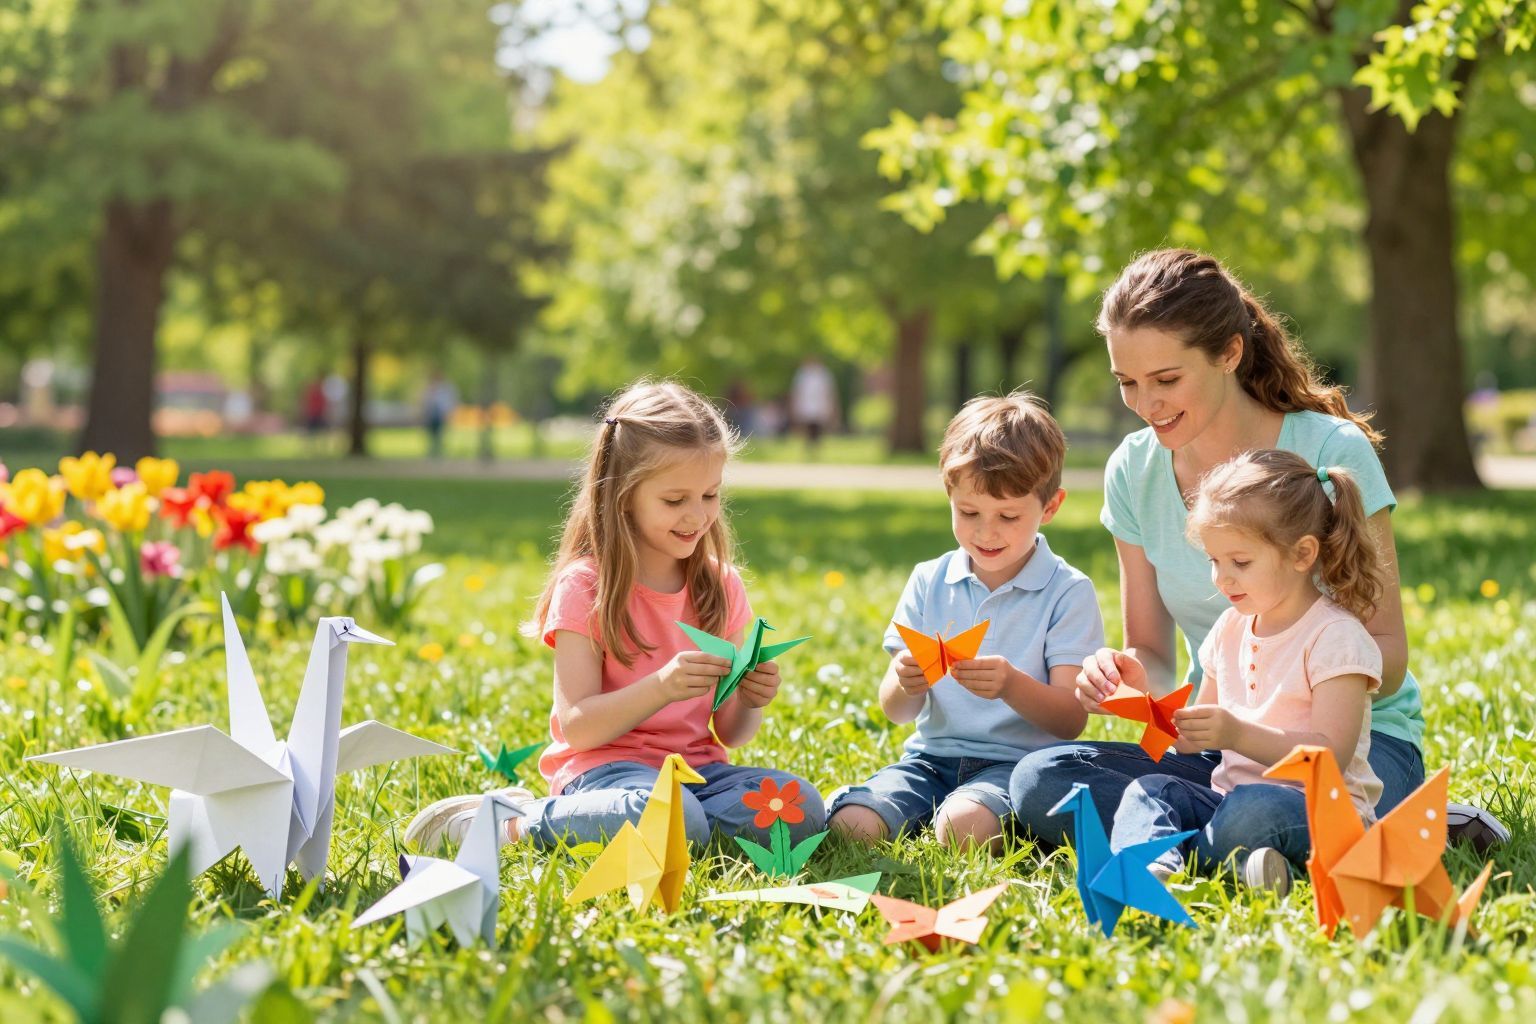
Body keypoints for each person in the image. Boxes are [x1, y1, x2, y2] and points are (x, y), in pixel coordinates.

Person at [1009, 248, 1506, 852]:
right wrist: (1132, 678)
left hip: (1354, 748)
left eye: (1167, 380)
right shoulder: (1133, 470)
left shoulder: (1330, 451)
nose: (1145, 405)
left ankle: (1217, 835)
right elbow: (1154, 652)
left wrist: (1282, 705)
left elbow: (1388, 652)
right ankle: (1244, 842)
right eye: (1127, 383)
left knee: (1251, 815)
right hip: (1223, 747)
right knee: (1040, 781)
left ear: (1229, 353)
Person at [405, 380, 825, 851]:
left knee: (800, 805)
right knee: (669, 814)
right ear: (624, 495)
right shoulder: (586, 587)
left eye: (710, 495)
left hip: (699, 774)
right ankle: (511, 825)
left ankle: (679, 830)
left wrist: (750, 699)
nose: (697, 516)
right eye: (675, 500)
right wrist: (661, 686)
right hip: (604, 772)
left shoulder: (720, 585)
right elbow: (579, 726)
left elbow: (730, 732)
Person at [826, 393, 1103, 850]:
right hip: (928, 760)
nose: (985, 532)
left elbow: (1070, 720)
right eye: (968, 512)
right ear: (949, 497)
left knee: (962, 829)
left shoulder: (1068, 591)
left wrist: (1011, 684)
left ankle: (975, 814)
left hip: (1016, 767)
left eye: (1008, 516)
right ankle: (906, 809)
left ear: (1051, 507)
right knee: (851, 826)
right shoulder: (929, 579)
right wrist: (906, 681)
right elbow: (896, 711)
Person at [1107, 450, 1385, 892]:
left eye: (1240, 562)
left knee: (1251, 811)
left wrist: (1237, 735)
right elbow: (1189, 739)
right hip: (1229, 802)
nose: (1222, 578)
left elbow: (1330, 755)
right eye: (1214, 561)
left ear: (1302, 554)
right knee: (1151, 789)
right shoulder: (1230, 627)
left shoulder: (1335, 636)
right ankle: (1156, 869)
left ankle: (1210, 859)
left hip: (1322, 812)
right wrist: (1143, 699)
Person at [788, 355, 838, 454]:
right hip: (806, 405)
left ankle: (816, 446)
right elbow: (797, 391)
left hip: (819, 405)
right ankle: (809, 446)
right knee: (808, 426)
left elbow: (829, 391)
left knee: (817, 426)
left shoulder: (824, 374)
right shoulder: (802, 374)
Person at [422, 372, 458, 458]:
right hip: (431, 415)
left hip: (440, 415)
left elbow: (449, 402)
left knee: (440, 434)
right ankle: (433, 451)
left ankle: (439, 451)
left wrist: (449, 413)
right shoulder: (430, 389)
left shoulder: (445, 389)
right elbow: (426, 402)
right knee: (432, 435)